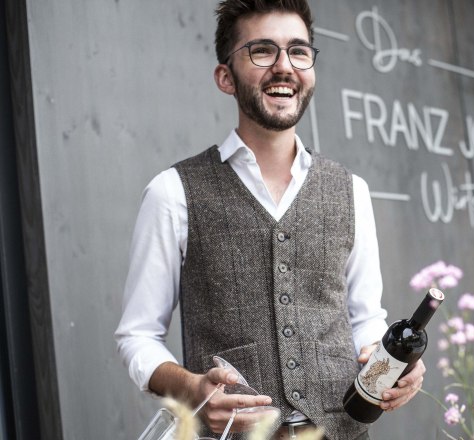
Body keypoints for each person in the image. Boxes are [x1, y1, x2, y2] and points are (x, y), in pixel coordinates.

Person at [114, 1, 425, 438]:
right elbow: (137, 336)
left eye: (298, 51)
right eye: (262, 51)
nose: (284, 66)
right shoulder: (172, 192)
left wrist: (392, 365)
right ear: (225, 77)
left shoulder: (352, 190)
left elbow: (364, 320)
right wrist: (191, 389)